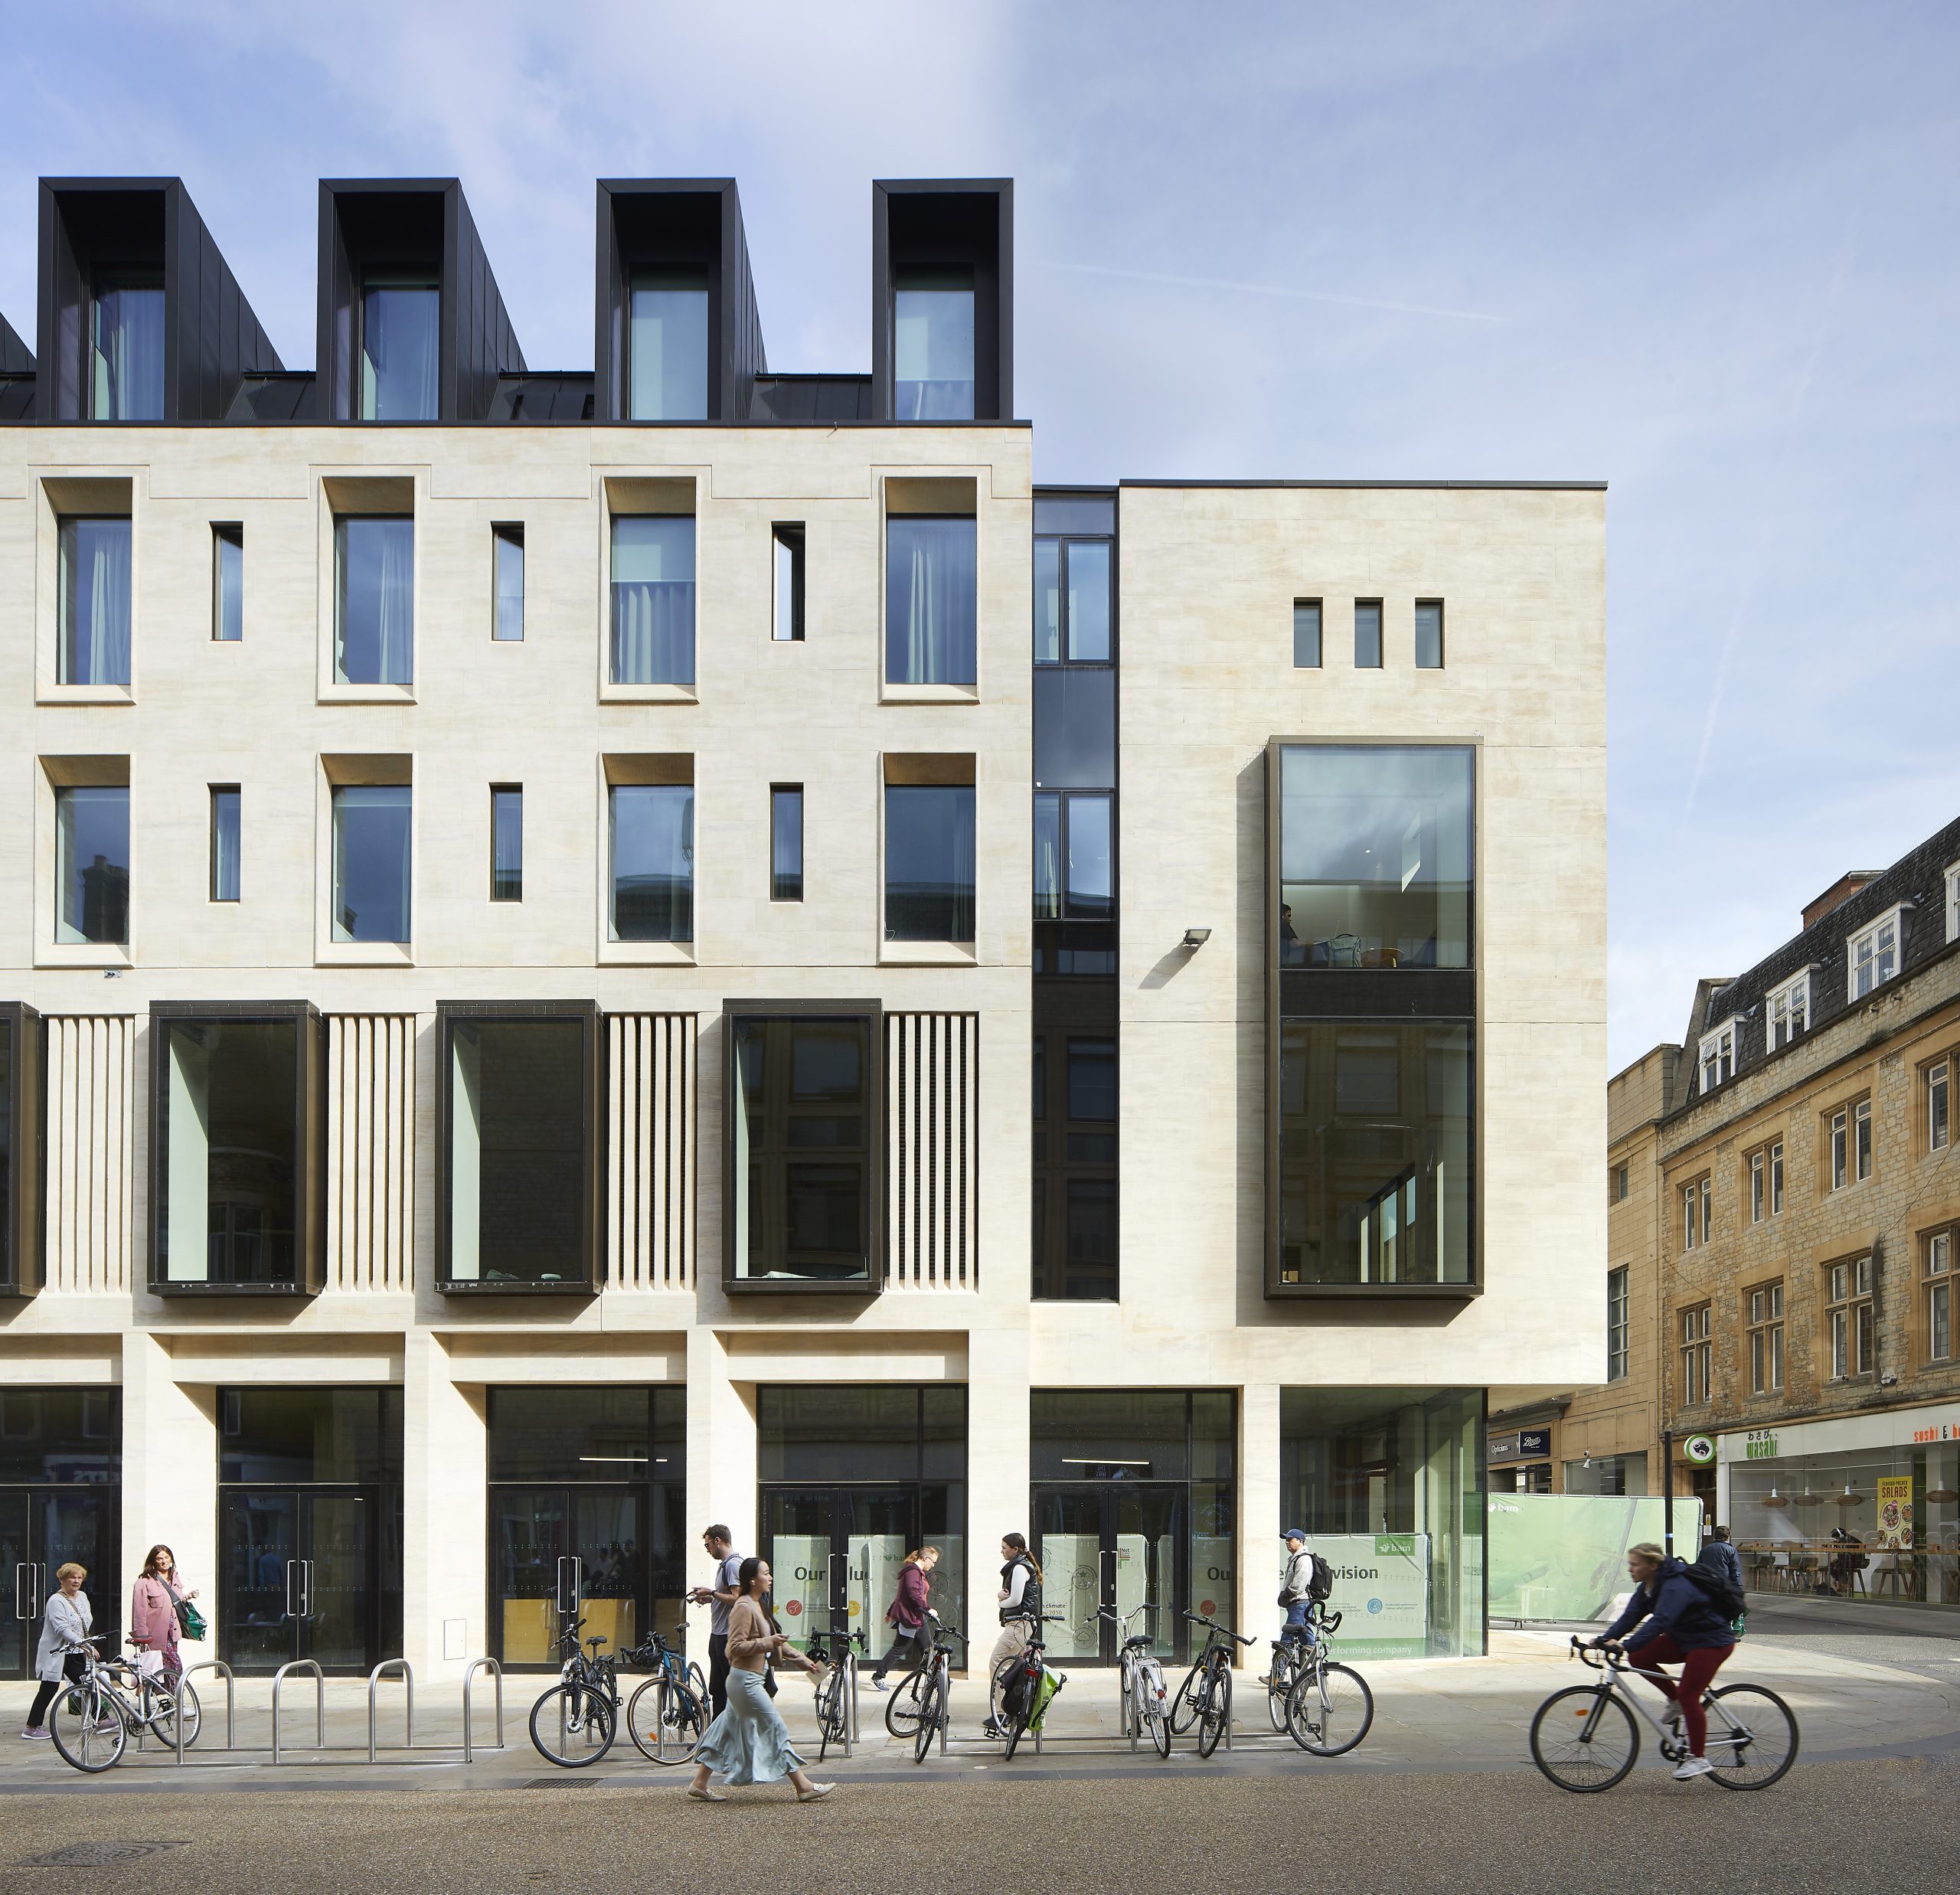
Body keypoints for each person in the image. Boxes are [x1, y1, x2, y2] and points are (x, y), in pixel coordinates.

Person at [685, 1558, 834, 1803]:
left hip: (747, 1680)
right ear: (753, 1580)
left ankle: (699, 1782)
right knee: (775, 1728)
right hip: (746, 1682)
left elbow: (776, 1641)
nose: (770, 1577)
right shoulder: (743, 1607)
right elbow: (734, 1648)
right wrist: (769, 1644)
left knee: (725, 1731)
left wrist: (803, 1660)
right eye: (766, 1573)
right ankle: (804, 1786)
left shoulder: (756, 1604)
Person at [1594, 1540, 1736, 1780]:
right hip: (1685, 1639)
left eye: (1635, 1565)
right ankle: (1675, 1701)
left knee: (1690, 1695)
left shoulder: (1674, 1586)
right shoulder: (1648, 1587)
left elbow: (1659, 1622)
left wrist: (1625, 1644)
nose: (1630, 1569)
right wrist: (1603, 1639)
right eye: (1630, 1564)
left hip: (1711, 1642)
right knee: (1638, 1656)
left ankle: (1699, 1759)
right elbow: (1630, 1617)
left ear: (1652, 1565)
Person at [21, 1563, 105, 1741]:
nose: (76, 1581)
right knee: (48, 1689)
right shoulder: (55, 1601)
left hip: (74, 1652)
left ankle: (103, 1719)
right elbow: (62, 1629)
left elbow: (84, 1626)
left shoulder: (82, 1597)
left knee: (87, 1684)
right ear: (62, 1580)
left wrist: (86, 1644)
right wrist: (86, 1646)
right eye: (71, 1577)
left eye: (79, 1577)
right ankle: (31, 1727)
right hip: (58, 1652)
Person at [982, 1533, 1042, 1738]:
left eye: (1004, 1547)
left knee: (997, 1662)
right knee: (1009, 1668)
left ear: (1015, 1549)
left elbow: (1015, 1599)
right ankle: (1008, 1709)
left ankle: (1001, 1712)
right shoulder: (1021, 1566)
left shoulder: (1019, 1568)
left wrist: (999, 1601)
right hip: (1020, 1625)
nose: (1002, 1551)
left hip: (1018, 1624)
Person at [688, 1525, 746, 1718]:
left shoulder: (732, 1565)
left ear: (717, 1541)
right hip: (719, 1633)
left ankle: (728, 1737)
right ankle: (718, 1736)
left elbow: (738, 1598)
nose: (707, 1550)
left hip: (728, 1635)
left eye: (708, 1545)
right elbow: (728, 1596)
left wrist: (711, 1592)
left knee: (727, 1690)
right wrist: (710, 1598)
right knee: (718, 1689)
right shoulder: (726, 1565)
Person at [869, 1547, 939, 1691]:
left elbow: (902, 1596)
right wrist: (929, 1609)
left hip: (917, 1617)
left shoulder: (917, 1572)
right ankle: (878, 1677)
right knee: (900, 1648)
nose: (933, 1565)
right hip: (910, 1618)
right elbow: (913, 1595)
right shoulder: (913, 1572)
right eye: (933, 1561)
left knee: (928, 1649)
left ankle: (935, 1677)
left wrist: (890, 1612)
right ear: (925, 1558)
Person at [130, 1544, 198, 1684]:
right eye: (160, 1558)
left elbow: (173, 1600)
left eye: (167, 1557)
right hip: (154, 1635)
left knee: (167, 1669)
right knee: (165, 1667)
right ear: (153, 1561)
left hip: (172, 1633)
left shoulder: (175, 1578)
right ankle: (176, 1698)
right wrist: (141, 1636)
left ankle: (170, 1700)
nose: (164, 1561)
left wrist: (187, 1597)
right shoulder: (144, 1582)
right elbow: (139, 1611)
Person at [1277, 1527, 1319, 1653]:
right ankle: (1319, 1668)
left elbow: (1298, 1585)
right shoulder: (1296, 1558)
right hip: (1300, 1605)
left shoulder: (1304, 1559)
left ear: (1300, 1541)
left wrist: (1285, 1595)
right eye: (1286, 1539)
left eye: (1290, 1539)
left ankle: (1278, 1672)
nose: (1286, 1542)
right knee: (1307, 1639)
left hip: (1300, 1605)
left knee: (1287, 1638)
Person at [1701, 1524, 1743, 1593]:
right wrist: (1738, 1588)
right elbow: (1735, 1571)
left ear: (1714, 1535)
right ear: (1728, 1536)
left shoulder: (1705, 1549)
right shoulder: (1731, 1550)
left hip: (1708, 1583)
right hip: (1724, 1583)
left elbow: (1699, 1566)